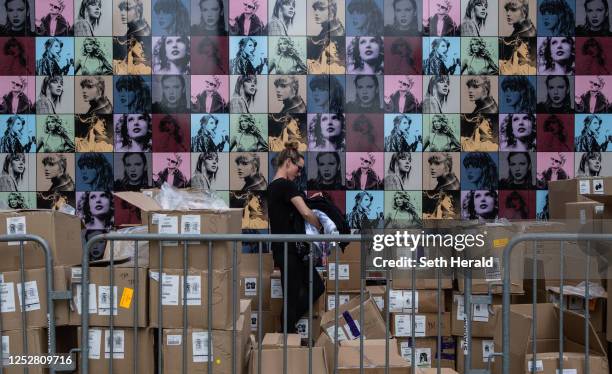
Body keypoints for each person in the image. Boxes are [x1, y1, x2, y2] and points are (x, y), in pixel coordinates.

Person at [267, 141, 324, 333]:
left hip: (287, 251)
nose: (299, 173)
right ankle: (286, 332)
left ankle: (286, 327)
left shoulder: (273, 186)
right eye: (298, 169)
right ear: (288, 163)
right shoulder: (285, 185)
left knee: (312, 288)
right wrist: (321, 226)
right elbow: (306, 213)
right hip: (290, 251)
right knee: (295, 296)